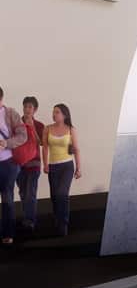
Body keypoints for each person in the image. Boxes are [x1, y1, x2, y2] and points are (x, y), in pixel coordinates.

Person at [44, 103, 82, 236]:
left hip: (66, 166)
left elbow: (76, 149)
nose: (54, 114)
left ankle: (63, 223)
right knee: (54, 196)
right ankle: (57, 218)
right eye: (53, 112)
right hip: (53, 166)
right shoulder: (47, 128)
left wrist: (79, 168)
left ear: (64, 115)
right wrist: (45, 164)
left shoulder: (71, 129)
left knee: (61, 194)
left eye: (57, 112)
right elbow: (45, 148)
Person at [0, 86, 30, 245]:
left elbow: (22, 135)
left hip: (8, 164)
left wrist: (7, 143)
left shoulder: (11, 113)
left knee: (7, 199)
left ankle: (8, 233)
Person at [17, 97, 45, 231]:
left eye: (30, 107)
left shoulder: (39, 125)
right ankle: (27, 217)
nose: (27, 109)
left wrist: (32, 127)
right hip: (19, 164)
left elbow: (41, 143)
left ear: (35, 110)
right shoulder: (16, 123)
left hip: (34, 163)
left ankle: (30, 221)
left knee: (30, 193)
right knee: (22, 192)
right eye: (25, 106)